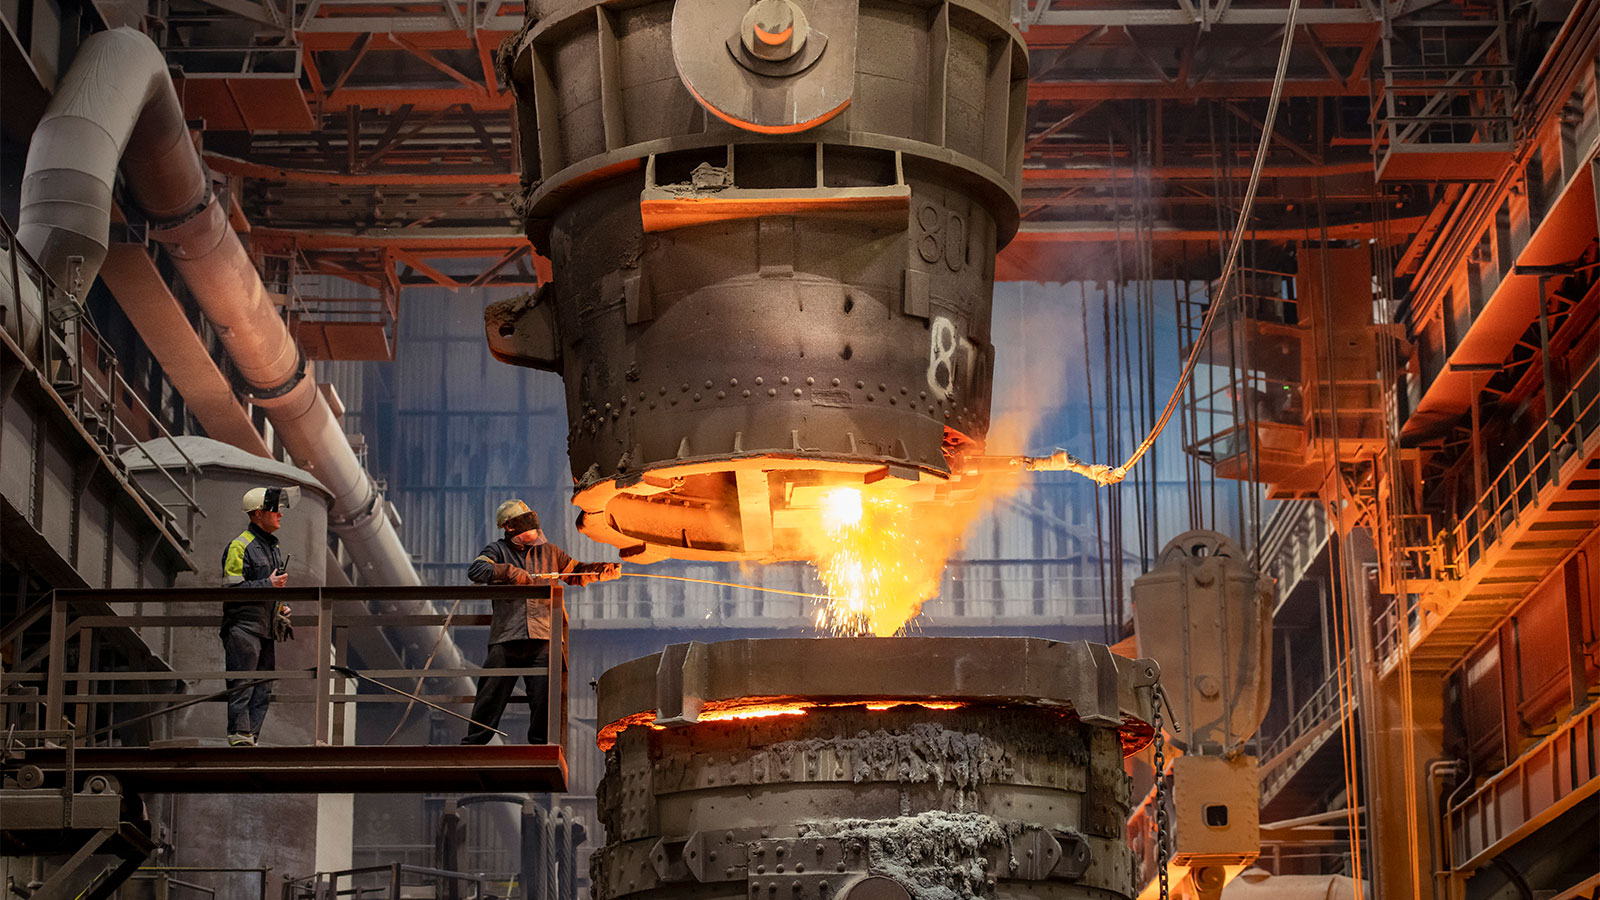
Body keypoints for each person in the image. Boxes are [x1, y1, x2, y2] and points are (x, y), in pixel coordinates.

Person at [462, 499, 619, 745]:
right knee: (490, 694)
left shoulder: (549, 552)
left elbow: (574, 571)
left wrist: (600, 570)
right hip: (507, 637)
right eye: (527, 531)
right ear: (510, 529)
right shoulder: (496, 551)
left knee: (544, 699)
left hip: (544, 637)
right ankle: (474, 743)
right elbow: (476, 571)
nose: (533, 534)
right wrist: (509, 573)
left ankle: (540, 746)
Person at [221, 486, 296, 747]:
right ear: (257, 514)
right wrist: (269, 586)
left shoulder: (271, 548)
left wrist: (280, 607)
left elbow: (267, 586)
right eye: (274, 510)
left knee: (263, 687)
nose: (280, 515)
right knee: (242, 683)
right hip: (243, 628)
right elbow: (232, 589)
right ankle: (240, 736)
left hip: (264, 629)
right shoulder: (239, 547)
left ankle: (251, 737)